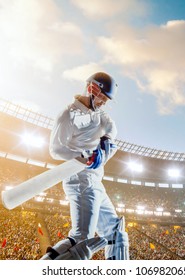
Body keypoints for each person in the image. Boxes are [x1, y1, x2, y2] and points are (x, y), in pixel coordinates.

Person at [40, 72, 129, 260]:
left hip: (95, 180)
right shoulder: (67, 114)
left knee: (115, 232)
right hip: (80, 179)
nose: (104, 102)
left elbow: (112, 127)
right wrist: (84, 156)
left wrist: (106, 142)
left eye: (107, 99)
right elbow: (55, 149)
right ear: (91, 89)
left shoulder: (99, 114)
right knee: (81, 239)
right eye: (102, 97)